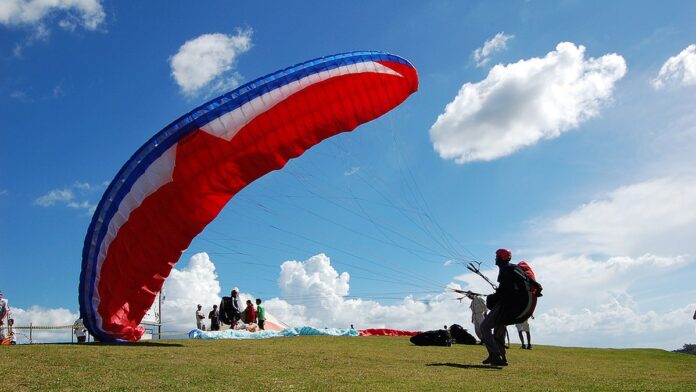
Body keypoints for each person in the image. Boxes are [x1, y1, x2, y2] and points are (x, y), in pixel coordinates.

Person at [480, 248, 530, 366]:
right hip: (513, 307)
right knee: (499, 331)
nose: (495, 259)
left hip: (505, 305)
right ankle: (502, 358)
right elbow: (508, 289)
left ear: (501, 258)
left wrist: (492, 297)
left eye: (497, 256)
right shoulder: (512, 268)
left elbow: (504, 292)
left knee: (484, 327)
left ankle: (494, 354)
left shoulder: (505, 269)